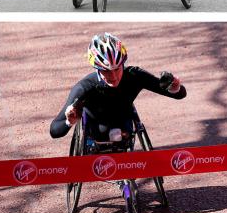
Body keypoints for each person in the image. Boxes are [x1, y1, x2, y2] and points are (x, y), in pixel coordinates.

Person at [49, 33, 187, 142]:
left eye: (117, 69)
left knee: (123, 132)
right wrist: (69, 121)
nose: (113, 76)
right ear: (97, 69)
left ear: (123, 64)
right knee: (103, 132)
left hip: (124, 127)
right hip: (96, 131)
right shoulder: (84, 87)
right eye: (106, 71)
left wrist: (174, 87)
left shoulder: (134, 75)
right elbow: (54, 131)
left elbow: (179, 94)